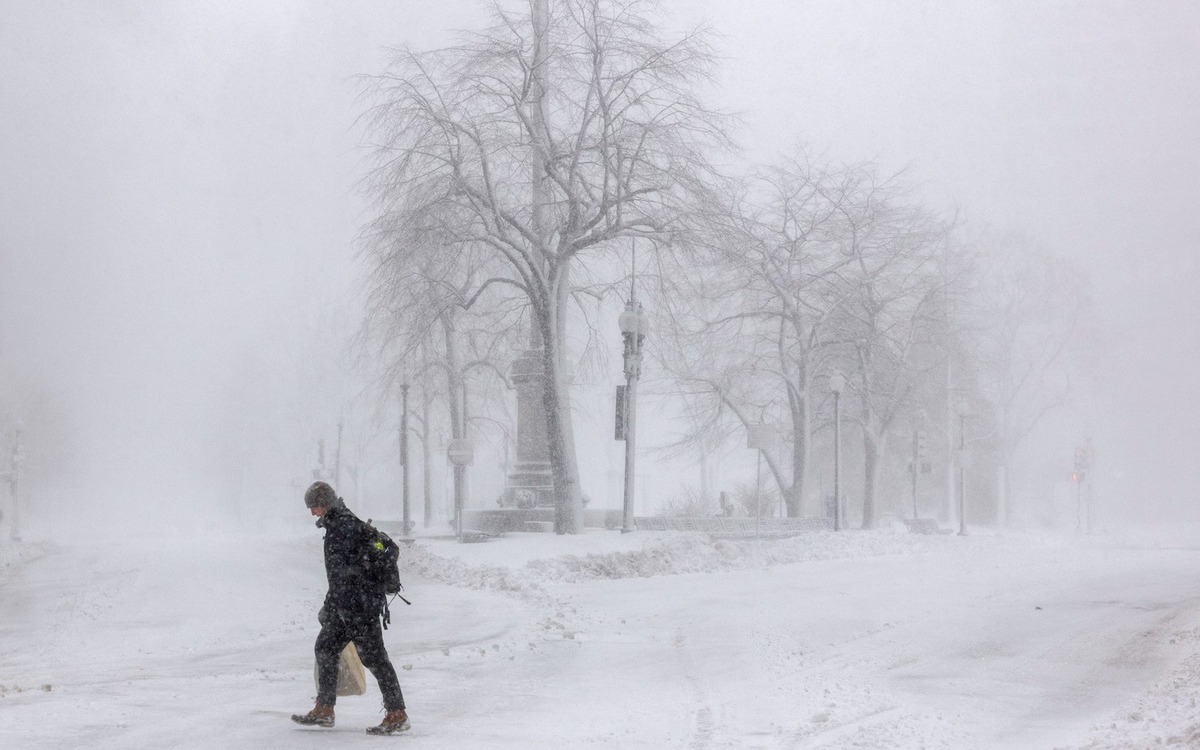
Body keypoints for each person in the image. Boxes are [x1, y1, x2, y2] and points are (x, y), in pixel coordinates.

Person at [291, 481, 410, 735]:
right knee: (325, 647)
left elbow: (351, 574)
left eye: (314, 506)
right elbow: (338, 577)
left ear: (326, 502)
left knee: (375, 659)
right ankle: (324, 708)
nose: (312, 512)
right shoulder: (336, 525)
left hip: (359, 608)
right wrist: (331, 607)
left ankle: (397, 713)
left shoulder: (344, 527)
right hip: (344, 608)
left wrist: (351, 604)